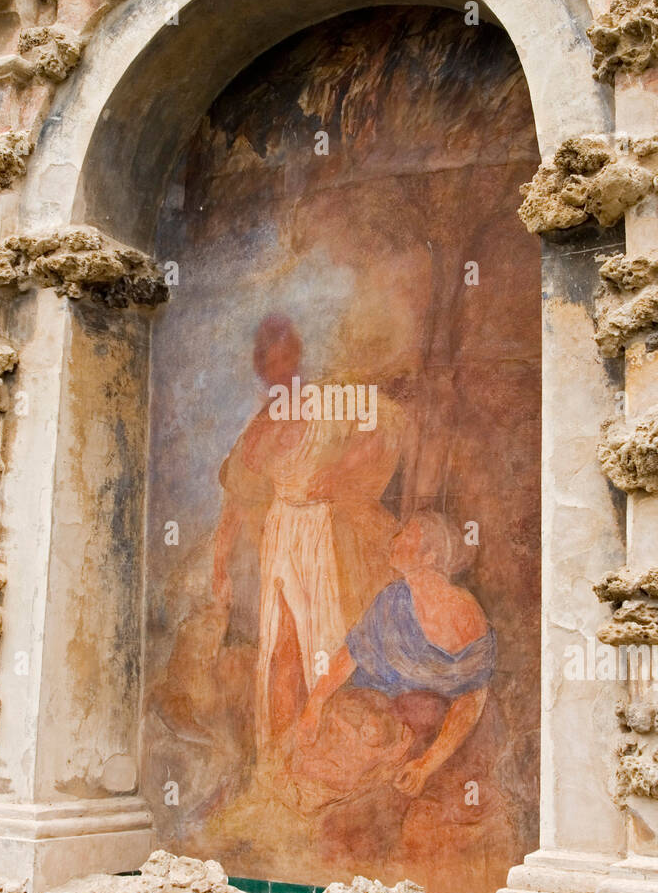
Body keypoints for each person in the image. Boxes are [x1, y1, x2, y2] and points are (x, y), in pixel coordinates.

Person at [212, 315, 404, 751]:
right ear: (262, 369)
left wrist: (341, 469)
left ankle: (326, 744)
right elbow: (238, 498)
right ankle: (281, 754)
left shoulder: (328, 400)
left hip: (327, 529)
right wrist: (220, 564)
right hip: (283, 532)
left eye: (286, 360)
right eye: (270, 364)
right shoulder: (260, 426)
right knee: (282, 644)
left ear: (297, 357)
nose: (280, 371)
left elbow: (386, 424)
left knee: (329, 637)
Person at [297, 511, 495, 797]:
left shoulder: (464, 614)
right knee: (315, 758)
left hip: (423, 733)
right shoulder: (393, 599)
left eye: (407, 535)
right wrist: (314, 704)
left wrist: (427, 764)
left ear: (429, 556)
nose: (395, 540)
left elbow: (471, 698)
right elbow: (351, 653)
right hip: (373, 713)